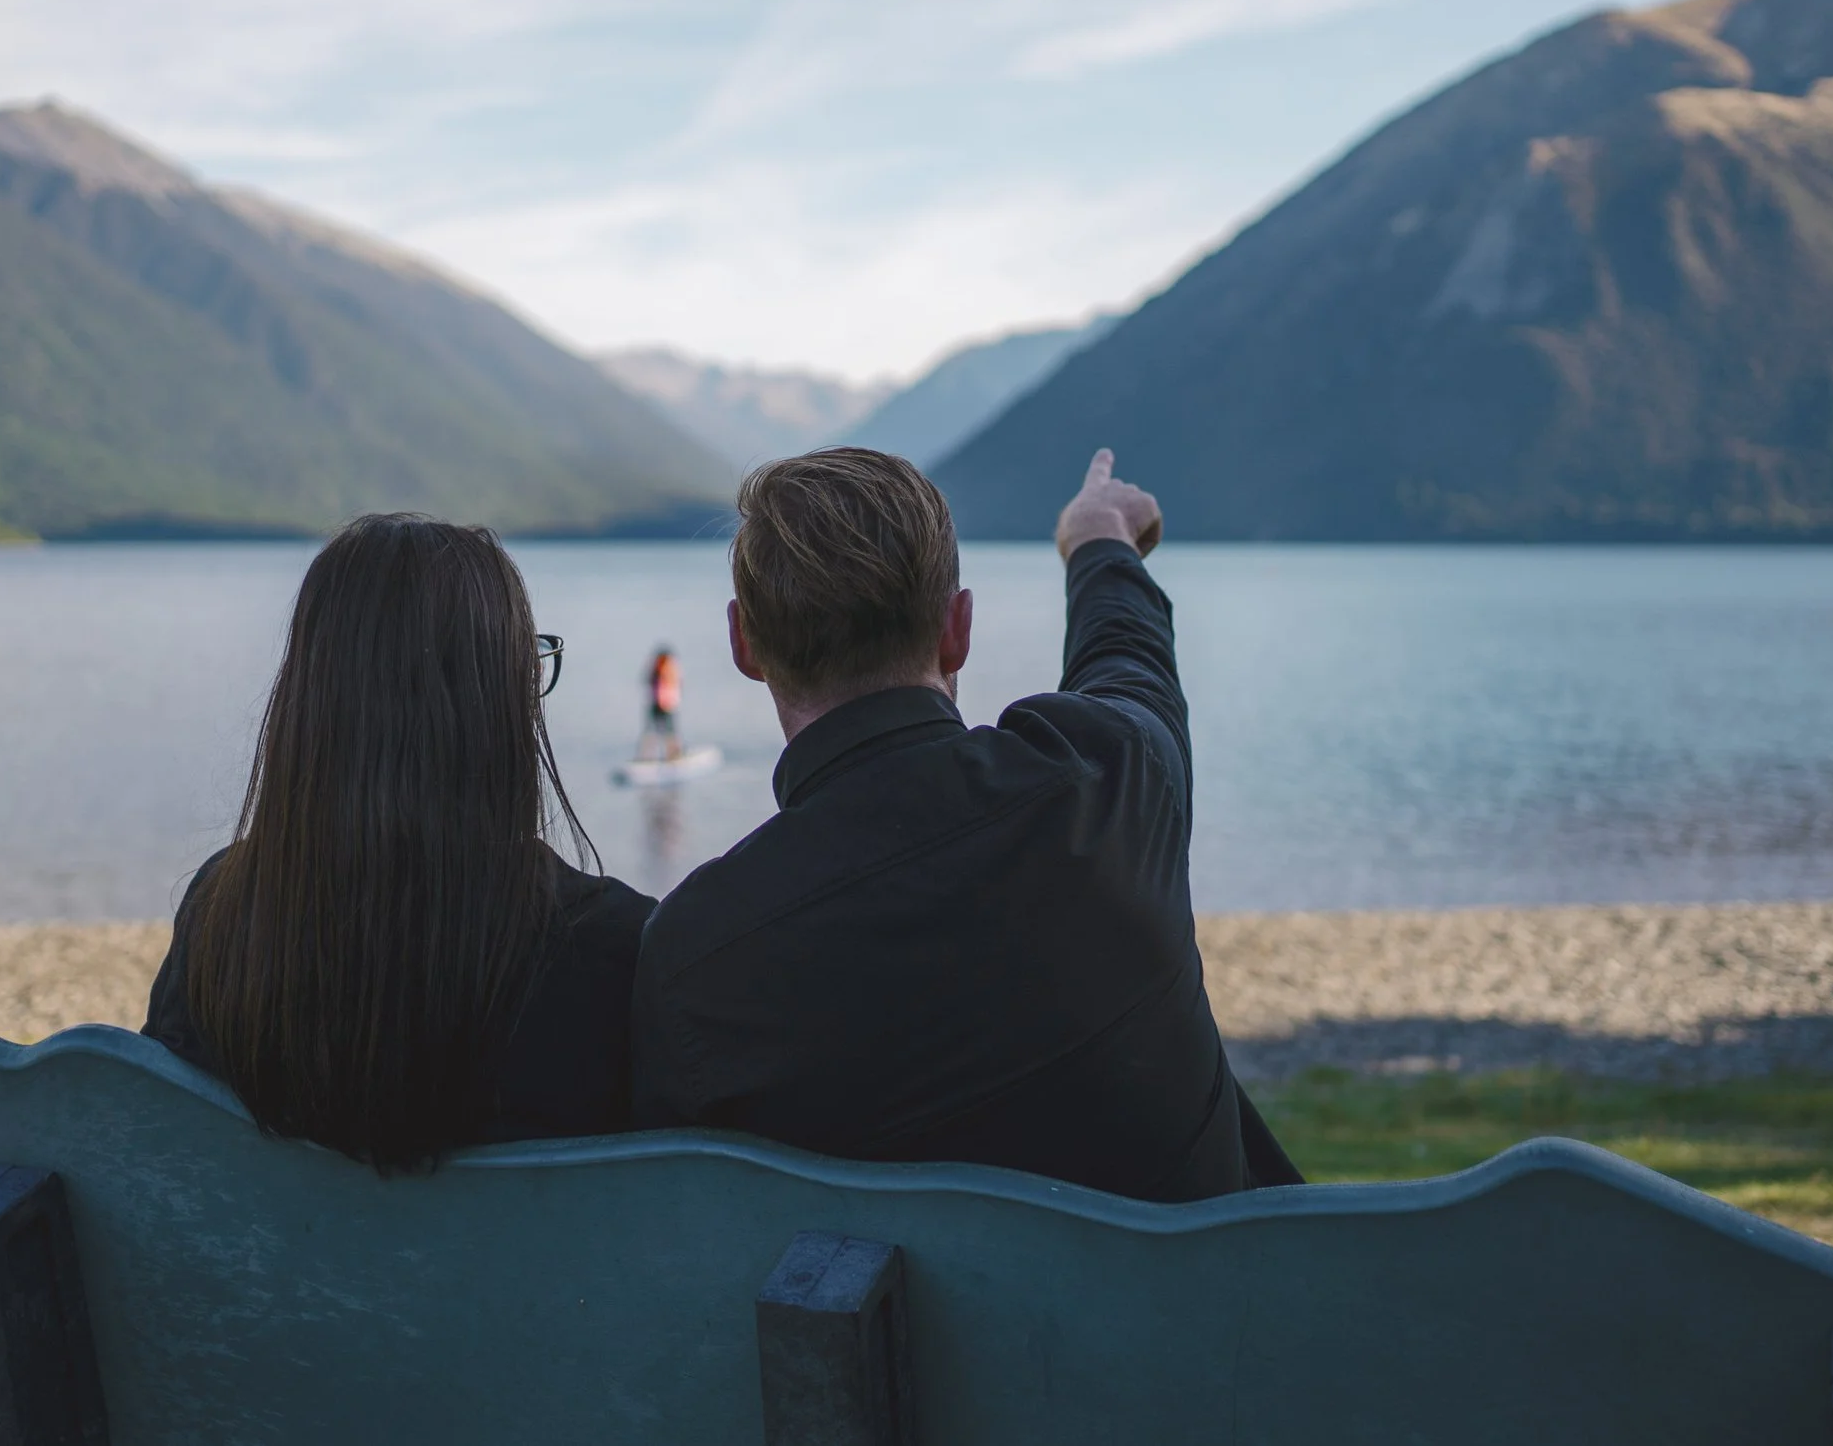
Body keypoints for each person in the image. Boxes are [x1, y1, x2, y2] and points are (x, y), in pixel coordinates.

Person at [629, 447, 1301, 1202]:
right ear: (959, 628)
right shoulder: (1106, 781)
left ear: (743, 643)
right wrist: (1100, 543)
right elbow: (1129, 666)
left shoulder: (697, 958)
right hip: (1209, 1312)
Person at [144, 513, 652, 1171]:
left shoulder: (222, 915)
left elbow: (160, 1139)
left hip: (273, 1274)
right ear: (500, 694)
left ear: (312, 694)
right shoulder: (614, 948)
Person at [637, 645, 683, 761]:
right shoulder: (659, 670)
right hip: (660, 705)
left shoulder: (667, 669)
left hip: (666, 705)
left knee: (668, 732)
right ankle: (648, 757)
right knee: (656, 732)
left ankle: (672, 756)